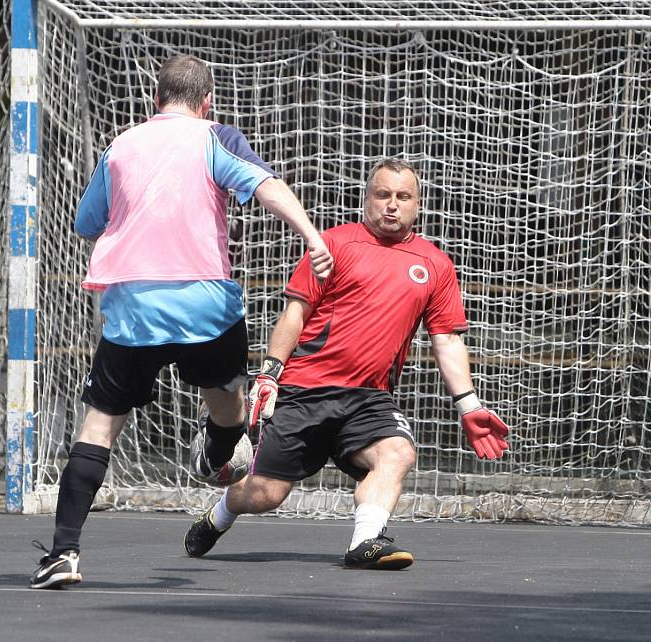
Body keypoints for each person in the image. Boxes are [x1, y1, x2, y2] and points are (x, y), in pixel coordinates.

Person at [29, 54, 333, 589]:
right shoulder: (216, 137)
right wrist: (313, 239)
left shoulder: (121, 145)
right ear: (207, 102)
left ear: (155, 101)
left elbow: (86, 223)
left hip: (134, 309)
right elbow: (268, 188)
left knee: (99, 427)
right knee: (229, 400)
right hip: (205, 306)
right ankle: (218, 451)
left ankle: (64, 553)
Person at [183, 158, 509, 569]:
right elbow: (295, 314)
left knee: (397, 453)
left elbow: (445, 338)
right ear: (367, 200)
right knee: (266, 495)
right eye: (383, 195)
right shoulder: (334, 245)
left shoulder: (435, 265)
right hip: (305, 392)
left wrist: (469, 404)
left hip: (368, 401)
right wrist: (269, 374)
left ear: (417, 204)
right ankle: (220, 515)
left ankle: (365, 542)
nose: (392, 204)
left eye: (403, 196)